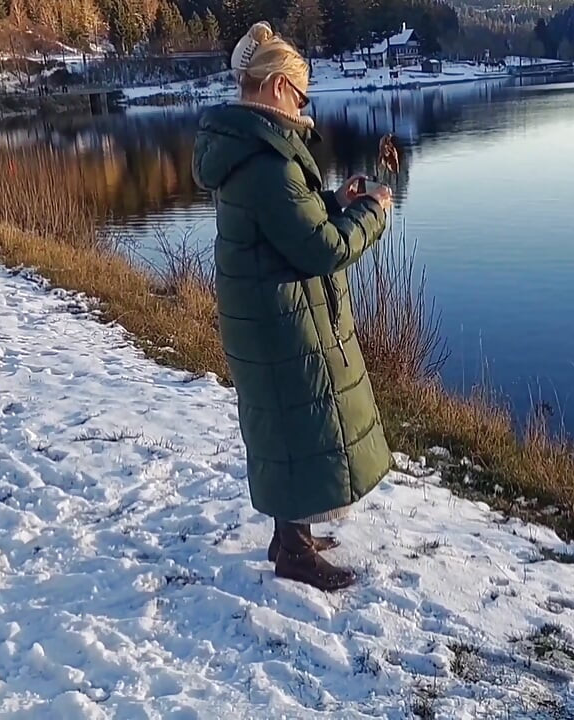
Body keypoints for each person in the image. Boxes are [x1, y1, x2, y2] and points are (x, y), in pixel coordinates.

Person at [192, 22, 395, 592]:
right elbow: (321, 248)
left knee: (286, 421)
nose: (305, 107)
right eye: (302, 94)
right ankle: (295, 554)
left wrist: (334, 200)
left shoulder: (247, 150)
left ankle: (291, 537)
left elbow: (285, 222)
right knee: (296, 421)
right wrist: (373, 210)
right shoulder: (269, 162)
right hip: (280, 314)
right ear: (280, 86)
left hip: (263, 308)